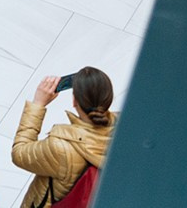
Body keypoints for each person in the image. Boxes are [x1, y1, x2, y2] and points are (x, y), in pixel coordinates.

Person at [11, 68, 116, 206]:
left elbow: (19, 153)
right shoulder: (124, 129)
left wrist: (38, 104)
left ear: (74, 101)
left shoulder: (61, 147)